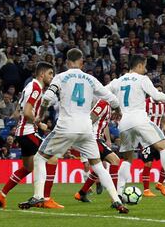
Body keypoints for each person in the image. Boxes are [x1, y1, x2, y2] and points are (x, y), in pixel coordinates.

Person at [18, 49, 128, 214]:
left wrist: (40, 115)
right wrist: (118, 110)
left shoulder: (60, 77)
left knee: (40, 158)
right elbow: (112, 99)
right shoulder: (91, 79)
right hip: (85, 128)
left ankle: (38, 196)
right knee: (98, 166)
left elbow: (47, 98)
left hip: (65, 127)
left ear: (67, 62)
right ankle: (117, 201)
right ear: (82, 63)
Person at [107, 55, 165, 199]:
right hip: (140, 119)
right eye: (144, 66)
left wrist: (115, 107)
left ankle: (119, 195)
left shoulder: (117, 81)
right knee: (164, 147)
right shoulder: (142, 79)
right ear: (139, 65)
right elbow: (157, 96)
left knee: (127, 160)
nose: (145, 69)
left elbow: (102, 93)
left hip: (124, 123)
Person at [0, 62, 60, 209]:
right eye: (50, 74)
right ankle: (46, 199)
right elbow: (28, 112)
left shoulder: (30, 86)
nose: (52, 77)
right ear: (42, 74)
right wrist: (38, 123)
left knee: (28, 167)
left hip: (22, 132)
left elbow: (18, 110)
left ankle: (1, 194)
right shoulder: (35, 88)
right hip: (28, 131)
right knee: (53, 158)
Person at [74, 99, 121, 202]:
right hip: (93, 139)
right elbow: (91, 119)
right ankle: (116, 197)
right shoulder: (102, 103)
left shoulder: (108, 107)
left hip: (98, 139)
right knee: (115, 161)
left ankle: (81, 193)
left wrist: (107, 139)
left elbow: (104, 125)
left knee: (98, 167)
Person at [140, 84, 165, 197]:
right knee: (148, 163)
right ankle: (146, 190)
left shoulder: (163, 104)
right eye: (157, 90)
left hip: (158, 137)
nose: (158, 92)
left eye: (160, 91)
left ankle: (160, 184)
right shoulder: (144, 103)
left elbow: (164, 121)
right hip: (146, 138)